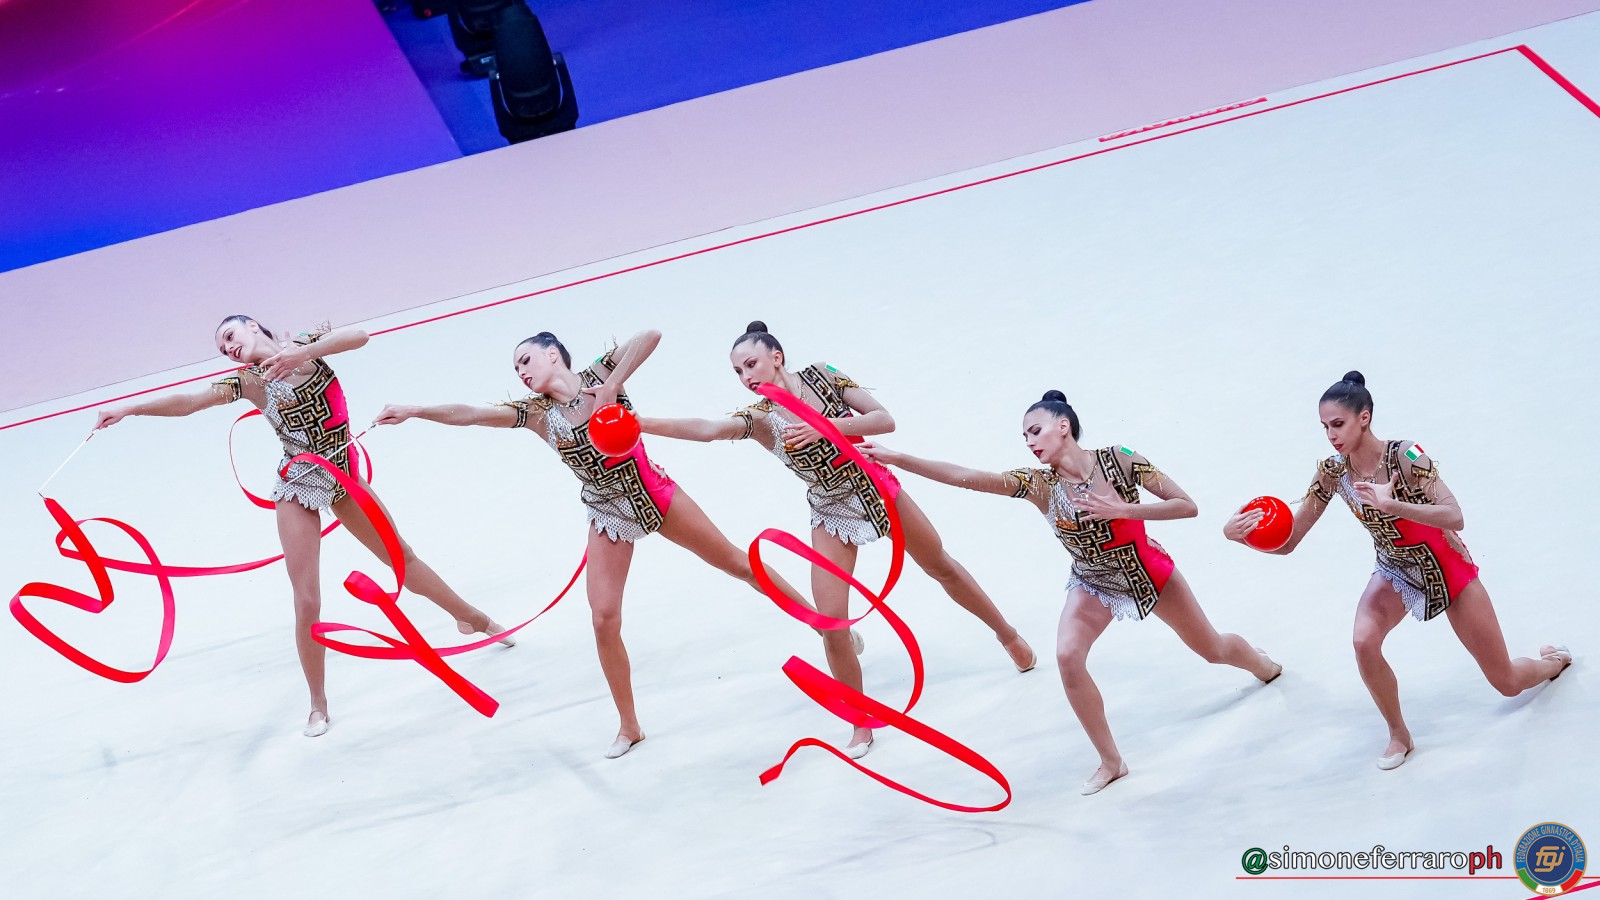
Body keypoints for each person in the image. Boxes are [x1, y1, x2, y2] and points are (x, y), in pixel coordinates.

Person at [374, 328, 831, 759]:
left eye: (526, 360)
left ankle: (827, 629)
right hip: (608, 514)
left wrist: (612, 385)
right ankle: (629, 725)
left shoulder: (600, 374)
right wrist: (417, 410)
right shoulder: (536, 413)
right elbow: (472, 415)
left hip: (655, 492)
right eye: (516, 368)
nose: (522, 372)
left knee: (740, 564)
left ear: (553, 353)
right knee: (603, 619)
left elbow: (650, 336)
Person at [94, 316, 511, 738]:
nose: (229, 348)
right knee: (307, 600)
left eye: (230, 336)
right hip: (298, 485)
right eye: (222, 348)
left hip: (344, 476)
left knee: (402, 558)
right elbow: (190, 401)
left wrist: (305, 352)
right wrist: (130, 409)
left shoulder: (308, 343)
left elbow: (360, 336)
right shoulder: (248, 381)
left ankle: (473, 618)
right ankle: (317, 703)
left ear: (252, 326)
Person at [640, 321, 1041, 759]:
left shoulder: (823, 375)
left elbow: (884, 420)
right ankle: (860, 722)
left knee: (940, 566)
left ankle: (1007, 636)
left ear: (777, 357)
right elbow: (708, 429)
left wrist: (825, 426)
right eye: (738, 371)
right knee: (831, 623)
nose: (746, 376)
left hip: (876, 487)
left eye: (751, 364)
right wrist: (641, 422)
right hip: (831, 509)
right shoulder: (761, 418)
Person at [859, 390, 1281, 794]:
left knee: (1212, 649)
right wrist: (899, 458)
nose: (1029, 442)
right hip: (1092, 582)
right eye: (1024, 437)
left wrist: (1124, 509)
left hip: (1148, 572)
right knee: (1067, 657)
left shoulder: (1120, 458)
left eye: (1035, 431)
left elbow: (1186, 505)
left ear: (1063, 426)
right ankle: (1111, 761)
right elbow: (970, 479)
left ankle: (1261, 664)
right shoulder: (1040, 485)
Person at [1224, 370, 1571, 770]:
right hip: (1395, 569)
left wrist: (1393, 505)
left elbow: (1454, 515)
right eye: (1325, 427)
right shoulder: (1333, 472)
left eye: (1338, 424)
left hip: (1446, 567)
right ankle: (1398, 734)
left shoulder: (1406, 456)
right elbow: (1290, 542)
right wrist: (1240, 537)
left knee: (1506, 682)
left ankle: (1554, 662)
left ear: (1364, 418)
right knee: (1363, 641)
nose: (1331, 435)